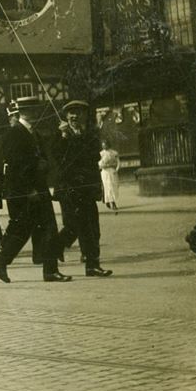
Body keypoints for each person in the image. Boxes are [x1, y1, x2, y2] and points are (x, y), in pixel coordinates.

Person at [0, 97, 71, 283]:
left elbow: (45, 154)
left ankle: (50, 271)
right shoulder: (14, 133)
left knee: (49, 229)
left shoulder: (33, 133)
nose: (33, 114)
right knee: (22, 229)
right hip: (25, 191)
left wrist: (61, 136)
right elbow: (15, 165)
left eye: (35, 110)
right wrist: (28, 189)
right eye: (29, 111)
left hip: (39, 189)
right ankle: (1, 259)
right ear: (21, 113)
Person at [53, 100, 112, 277]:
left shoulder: (90, 134)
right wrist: (64, 138)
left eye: (78, 112)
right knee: (73, 227)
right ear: (65, 116)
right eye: (70, 113)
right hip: (69, 190)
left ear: (85, 115)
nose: (74, 116)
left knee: (93, 228)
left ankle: (92, 265)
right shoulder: (60, 135)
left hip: (86, 188)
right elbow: (57, 157)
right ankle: (53, 250)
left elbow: (93, 156)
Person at [99, 141, 121, 211]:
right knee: (108, 187)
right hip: (105, 173)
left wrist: (116, 169)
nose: (104, 146)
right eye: (103, 145)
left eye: (105, 145)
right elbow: (99, 164)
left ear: (108, 145)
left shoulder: (114, 153)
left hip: (112, 172)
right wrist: (104, 166)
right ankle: (112, 203)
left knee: (114, 187)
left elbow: (118, 162)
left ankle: (108, 201)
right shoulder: (101, 154)